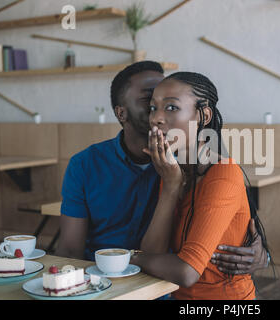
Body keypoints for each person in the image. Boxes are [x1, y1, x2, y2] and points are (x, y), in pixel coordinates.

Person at [56, 61, 269, 277]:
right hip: (103, 279)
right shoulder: (85, 165)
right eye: (151, 103)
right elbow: (70, 250)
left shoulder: (190, 162)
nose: (158, 116)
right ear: (121, 113)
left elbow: (236, 223)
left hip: (166, 286)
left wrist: (260, 253)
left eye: (171, 105)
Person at [130, 71, 271, 300]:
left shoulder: (223, 175)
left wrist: (130, 259)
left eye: (171, 107)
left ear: (203, 116)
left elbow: (186, 272)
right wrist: (171, 186)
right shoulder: (172, 171)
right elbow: (153, 254)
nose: (155, 118)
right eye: (153, 108)